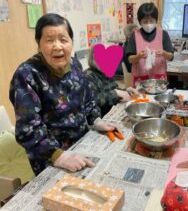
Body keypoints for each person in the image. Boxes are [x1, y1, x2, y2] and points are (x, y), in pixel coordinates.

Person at [9, 13, 120, 175]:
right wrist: (58, 156)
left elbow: (87, 98)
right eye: (49, 40)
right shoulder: (27, 75)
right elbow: (28, 130)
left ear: (71, 42)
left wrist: (95, 120)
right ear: (38, 44)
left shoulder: (74, 64)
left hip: (83, 143)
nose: (57, 46)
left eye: (63, 39)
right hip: (51, 157)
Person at [125, 2, 174, 87]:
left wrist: (163, 53)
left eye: (151, 21)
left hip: (158, 81)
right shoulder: (135, 35)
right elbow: (130, 59)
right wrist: (139, 56)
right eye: (145, 21)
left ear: (156, 20)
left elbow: (171, 57)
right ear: (140, 22)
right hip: (140, 81)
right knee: (141, 100)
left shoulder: (163, 34)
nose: (148, 24)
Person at [84, 44, 139, 116]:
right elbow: (94, 99)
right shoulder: (88, 76)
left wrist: (126, 90)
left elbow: (114, 88)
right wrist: (116, 94)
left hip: (112, 111)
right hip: (99, 118)